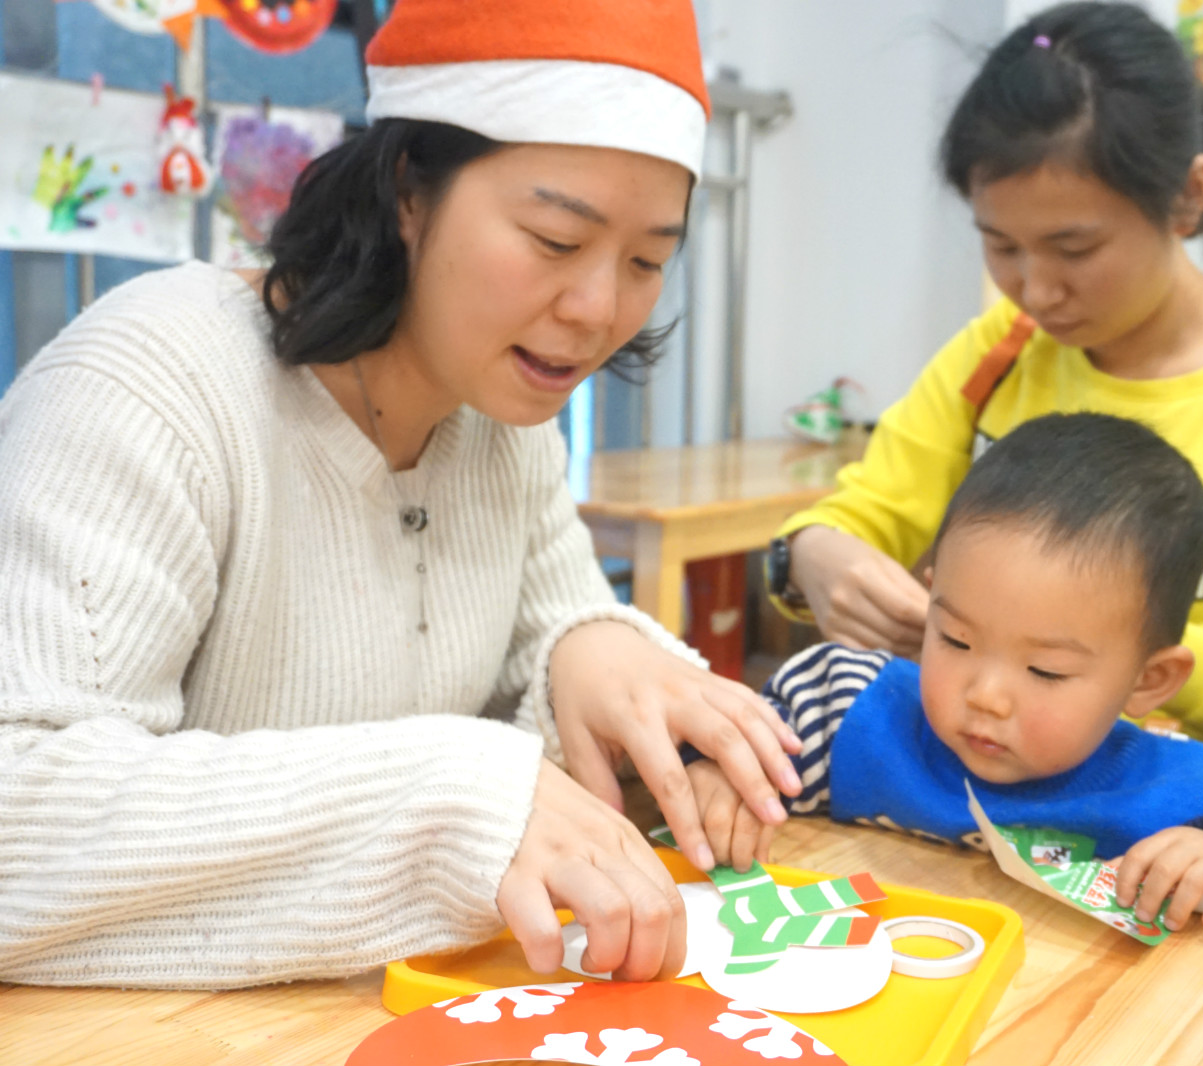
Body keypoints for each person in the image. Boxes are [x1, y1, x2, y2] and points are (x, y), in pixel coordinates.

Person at [0, 0, 804, 989]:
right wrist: (453, 801)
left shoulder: (503, 423)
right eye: (555, 240)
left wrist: (626, 691)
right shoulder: (153, 387)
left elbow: (543, 641)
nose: (599, 309)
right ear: (406, 191)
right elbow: (19, 814)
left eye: (645, 261)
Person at [765, 2, 1203, 935]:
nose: (1034, 288)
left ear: (1187, 197)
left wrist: (1107, 665)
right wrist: (815, 554)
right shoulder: (997, 355)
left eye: (1074, 248)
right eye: (1001, 246)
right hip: (961, 783)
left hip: (1196, 825)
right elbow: (862, 512)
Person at [696, 414, 1203, 932]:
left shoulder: (1188, 797)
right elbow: (727, 747)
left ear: (1149, 680)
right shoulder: (844, 708)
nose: (987, 695)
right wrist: (721, 777)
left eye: (1045, 671)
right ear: (931, 594)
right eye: (956, 639)